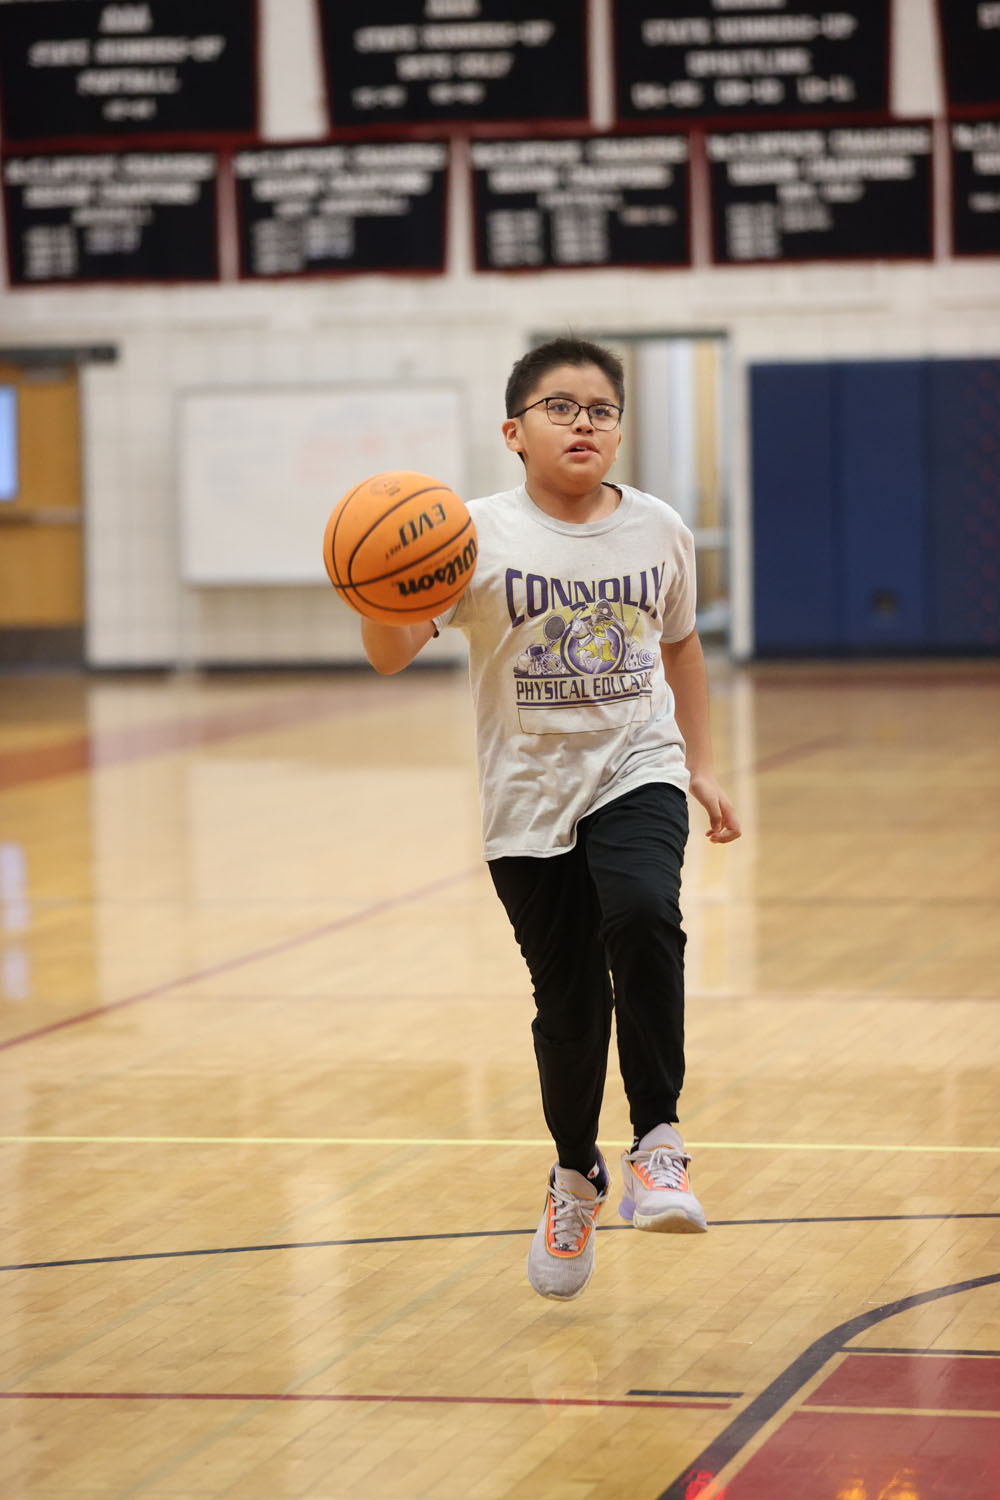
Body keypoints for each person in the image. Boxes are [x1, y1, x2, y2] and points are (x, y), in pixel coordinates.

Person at [361, 336, 740, 1301]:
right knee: (570, 1012)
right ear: (514, 432)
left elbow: (684, 647)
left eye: (602, 409)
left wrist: (699, 765)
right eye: (561, 407)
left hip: (635, 763)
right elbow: (393, 653)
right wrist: (368, 586)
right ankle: (577, 1175)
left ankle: (659, 1138)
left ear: (618, 430)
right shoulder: (470, 535)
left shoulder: (658, 528)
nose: (584, 422)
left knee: (647, 911)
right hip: (526, 799)